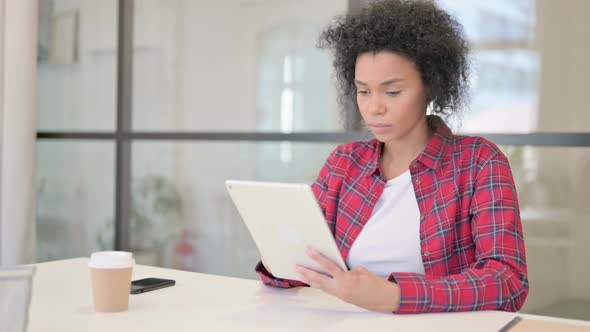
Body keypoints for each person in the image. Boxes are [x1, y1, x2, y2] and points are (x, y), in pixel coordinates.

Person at [255, 0, 528, 314]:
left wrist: (394, 295)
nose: (374, 108)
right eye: (363, 91)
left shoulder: (479, 163)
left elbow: (508, 282)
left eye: (393, 91)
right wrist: (280, 258)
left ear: (430, 86)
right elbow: (306, 266)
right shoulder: (345, 163)